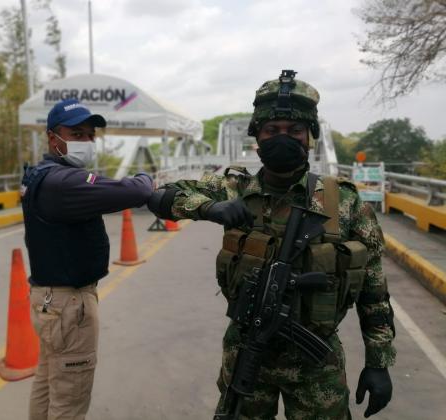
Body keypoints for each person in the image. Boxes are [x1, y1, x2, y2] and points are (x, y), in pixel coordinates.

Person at [148, 70, 396, 419]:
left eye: (294, 131)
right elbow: (161, 196)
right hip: (247, 352)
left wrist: (379, 362)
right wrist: (210, 207)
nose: (283, 138)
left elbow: (374, 290)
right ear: (257, 137)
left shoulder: (343, 202)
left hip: (315, 361)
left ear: (310, 137)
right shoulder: (235, 189)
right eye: (271, 130)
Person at [21, 98, 153, 420]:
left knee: (48, 384)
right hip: (70, 307)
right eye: (77, 134)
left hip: (49, 302)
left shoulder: (40, 174)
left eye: (91, 136)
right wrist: (145, 178)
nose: (87, 142)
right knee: (69, 402)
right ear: (54, 138)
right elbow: (134, 192)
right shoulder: (64, 182)